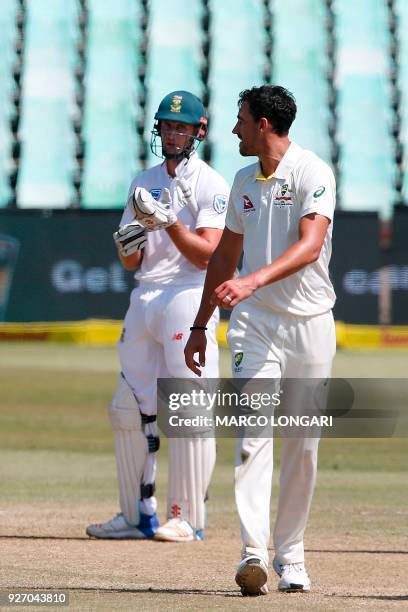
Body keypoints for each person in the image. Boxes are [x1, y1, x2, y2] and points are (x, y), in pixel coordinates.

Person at [184, 85, 336, 593]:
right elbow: (225, 260)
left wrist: (252, 280)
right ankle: (254, 554)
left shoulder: (313, 172)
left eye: (241, 121)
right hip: (255, 325)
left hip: (310, 323)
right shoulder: (244, 181)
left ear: (265, 125)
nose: (233, 130)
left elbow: (311, 246)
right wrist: (203, 323)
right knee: (252, 437)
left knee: (303, 444)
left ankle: (291, 555)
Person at [86, 90, 229, 542]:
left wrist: (168, 221)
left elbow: (208, 255)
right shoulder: (142, 180)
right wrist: (128, 241)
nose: (172, 134)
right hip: (145, 294)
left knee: (189, 407)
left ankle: (186, 517)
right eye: (167, 126)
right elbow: (132, 259)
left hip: (188, 297)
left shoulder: (211, 184)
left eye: (181, 127)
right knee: (127, 408)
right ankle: (135, 516)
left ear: (198, 132)